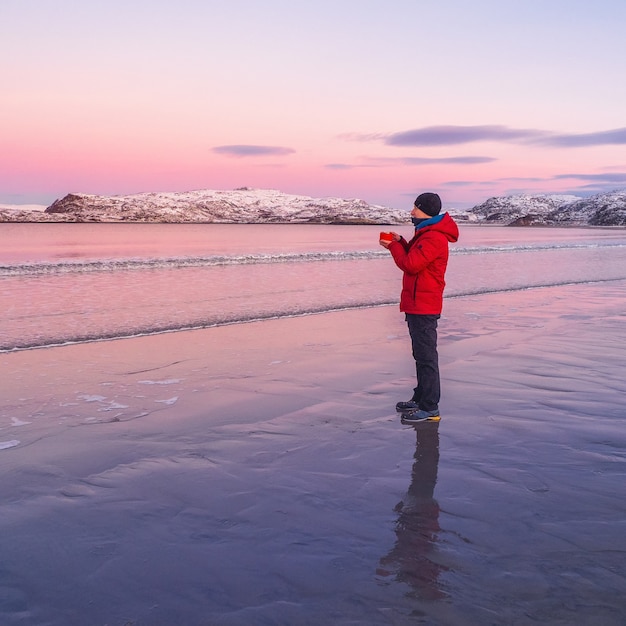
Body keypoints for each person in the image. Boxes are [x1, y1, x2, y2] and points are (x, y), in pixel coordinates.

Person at [380, 192, 459, 423]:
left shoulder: (434, 237)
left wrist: (393, 248)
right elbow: (416, 257)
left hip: (424, 305)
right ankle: (421, 398)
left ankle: (430, 408)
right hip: (417, 303)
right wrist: (401, 242)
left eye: (415, 208)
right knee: (420, 354)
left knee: (426, 357)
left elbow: (411, 265)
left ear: (425, 211)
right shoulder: (426, 234)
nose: (411, 212)